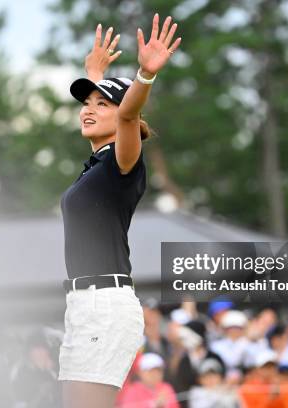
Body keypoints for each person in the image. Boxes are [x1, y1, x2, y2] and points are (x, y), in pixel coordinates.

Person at [57, 14, 182, 408]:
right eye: (86, 103)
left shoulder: (122, 162)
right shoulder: (96, 164)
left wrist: (144, 76)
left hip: (105, 305)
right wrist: (94, 74)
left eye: (101, 104)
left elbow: (128, 114)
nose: (87, 110)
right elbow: (116, 112)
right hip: (83, 304)